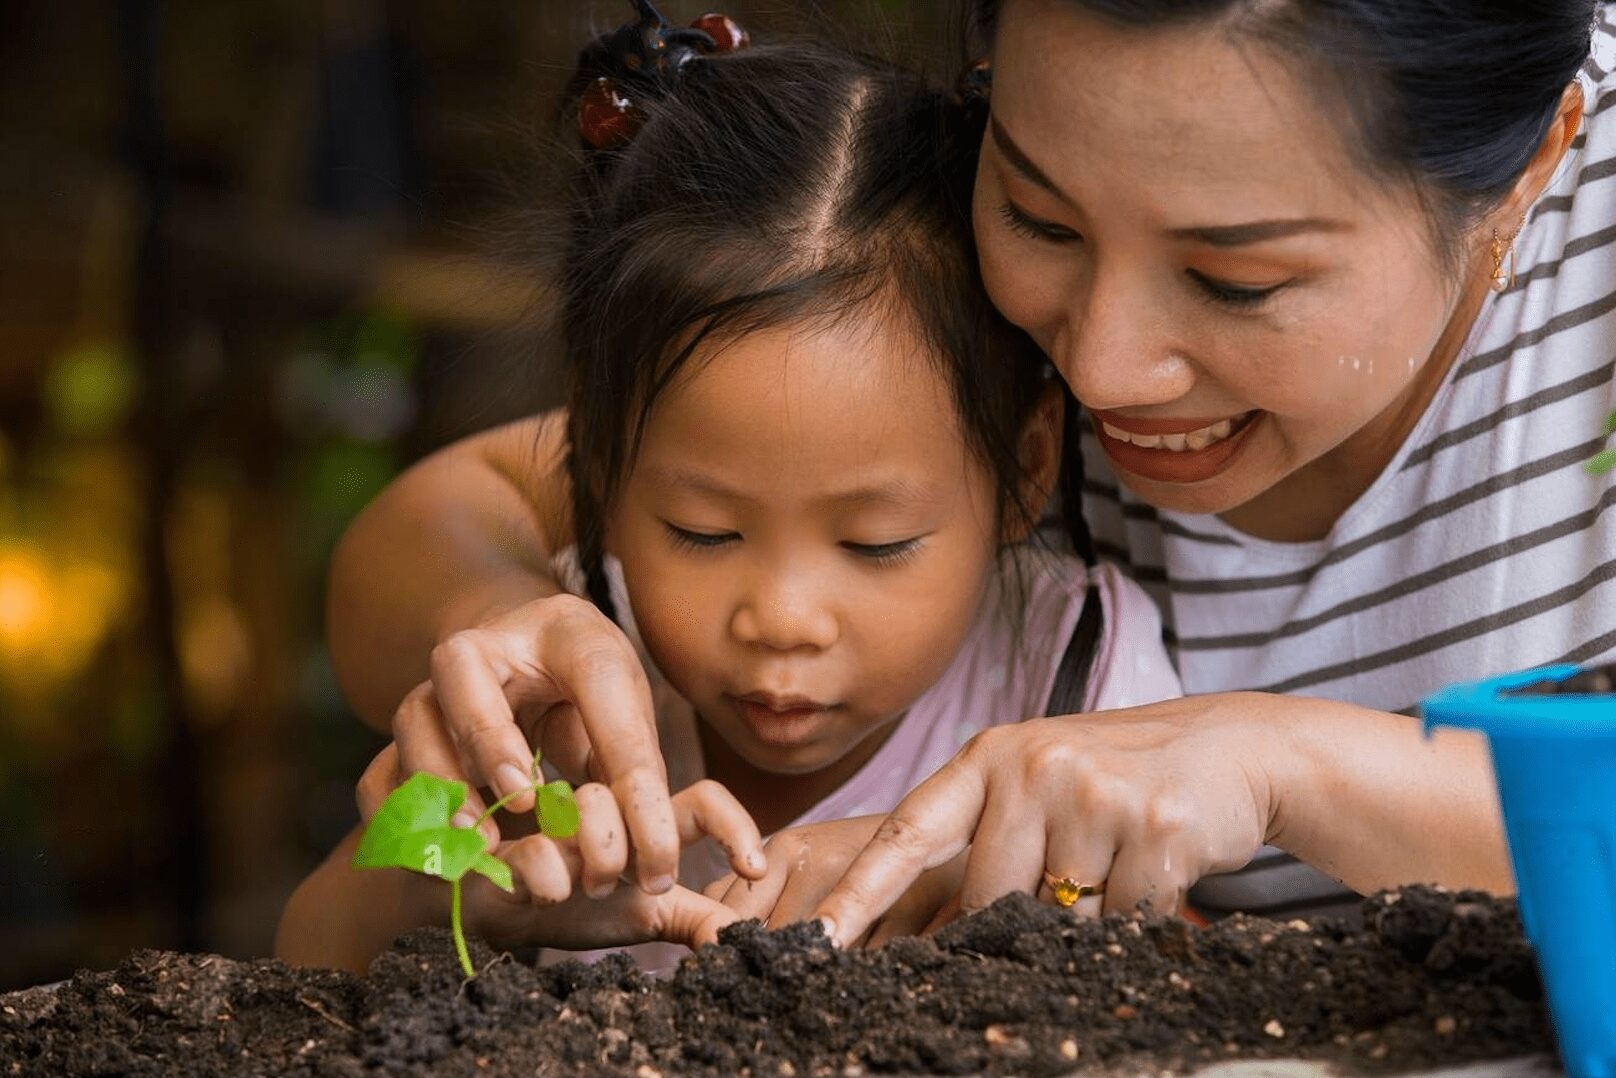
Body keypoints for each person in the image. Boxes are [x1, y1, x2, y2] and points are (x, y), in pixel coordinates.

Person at [313, 0, 1616, 947]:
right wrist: (491, 637)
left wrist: (1284, 763)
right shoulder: (945, 329)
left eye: (1239, 279)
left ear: (1531, 168)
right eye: (1038, 214)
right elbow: (459, 513)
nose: (1097, 368)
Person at [274, 15, 1179, 974]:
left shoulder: (1078, 683)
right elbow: (304, 956)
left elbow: (1170, 942)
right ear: (596, 459)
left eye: (876, 544)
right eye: (702, 532)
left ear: (1027, 468)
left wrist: (1038, 905)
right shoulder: (548, 686)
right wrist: (448, 896)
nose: (781, 620)